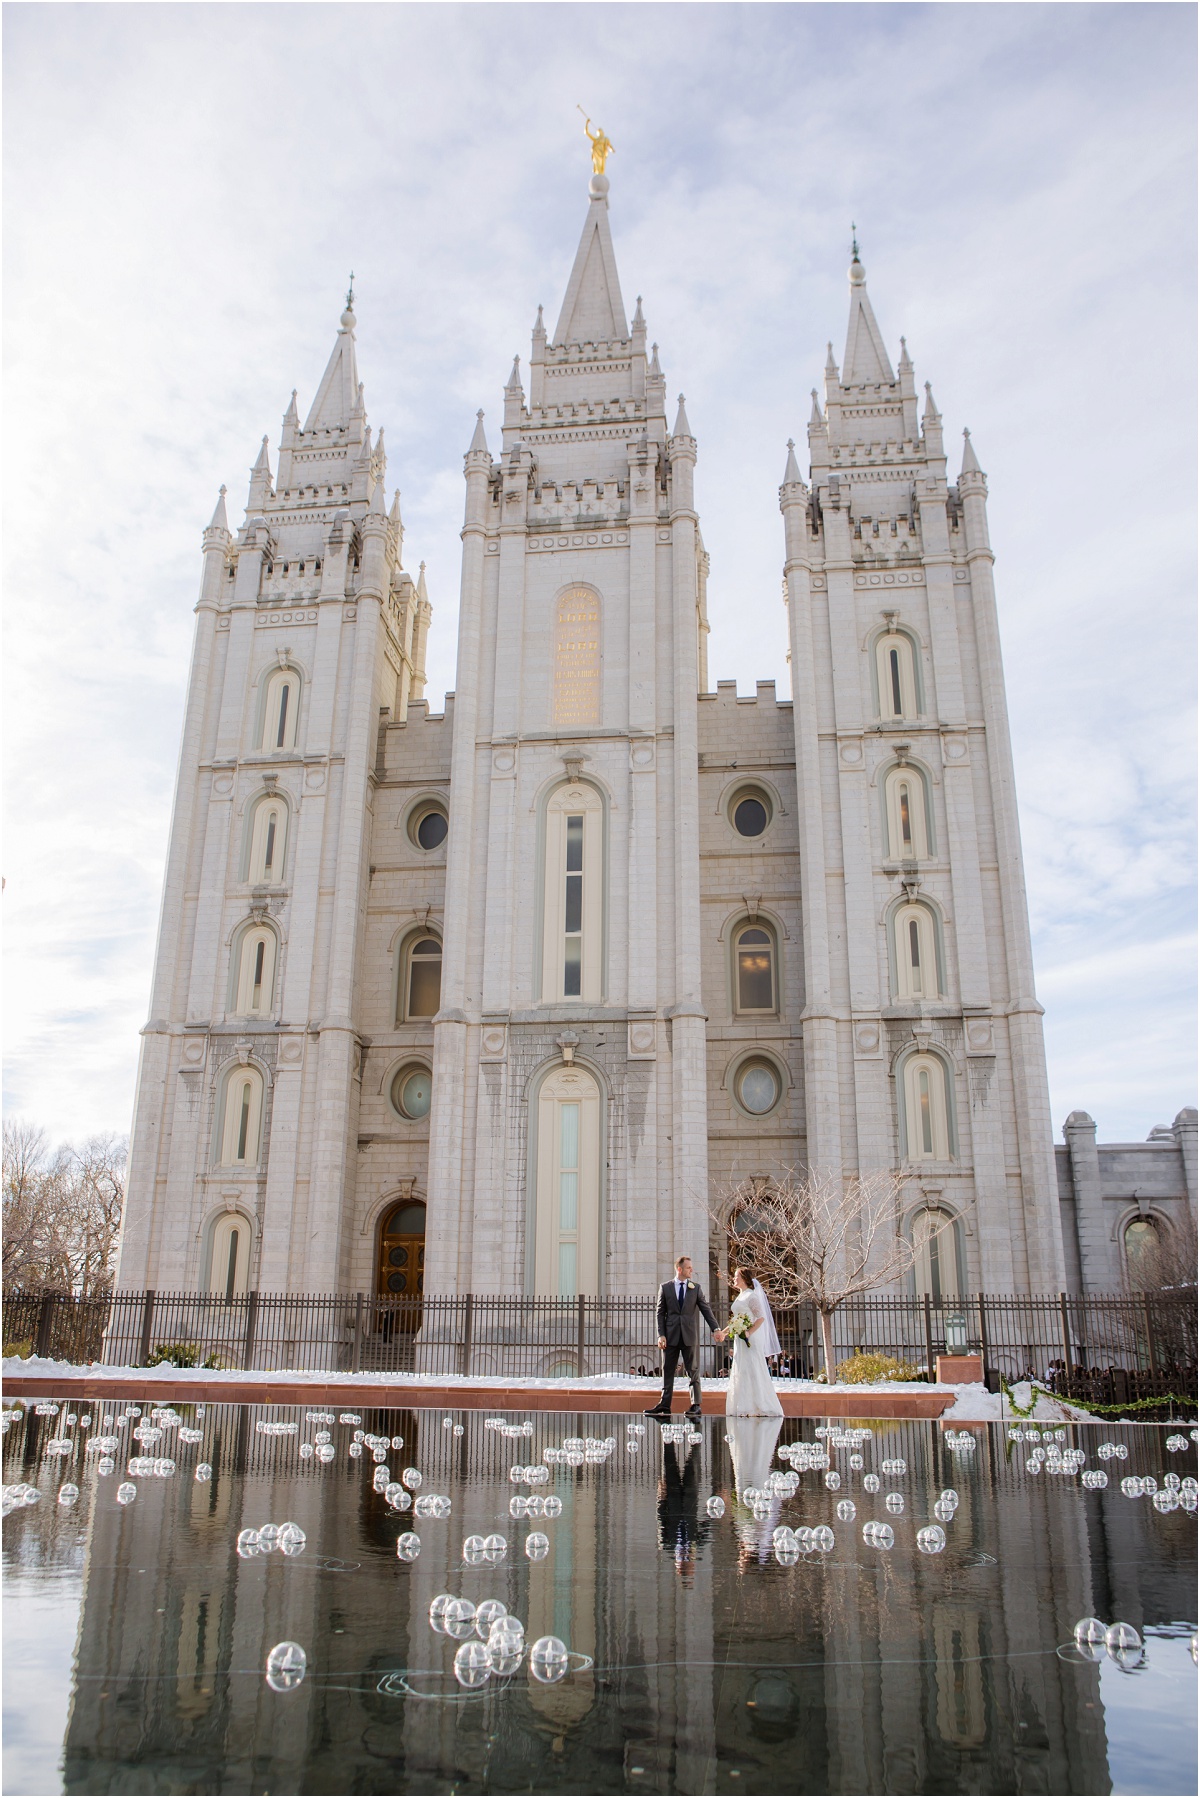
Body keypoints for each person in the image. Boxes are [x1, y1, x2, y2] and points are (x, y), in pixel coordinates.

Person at [645, 1255, 723, 1420]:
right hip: (670, 1336)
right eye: (688, 1267)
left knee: (692, 1370)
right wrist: (661, 1335)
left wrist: (715, 1328)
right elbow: (660, 1313)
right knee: (667, 1370)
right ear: (679, 1269)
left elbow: (706, 1310)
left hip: (689, 1336)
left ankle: (696, 1405)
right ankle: (664, 1405)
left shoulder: (695, 1288)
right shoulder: (665, 1288)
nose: (691, 1270)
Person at [725, 1267, 784, 1418]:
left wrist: (749, 1332)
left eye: (736, 1276)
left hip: (750, 1338)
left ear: (744, 1278)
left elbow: (761, 1317)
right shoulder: (740, 1296)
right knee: (741, 1368)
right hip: (740, 1339)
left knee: (753, 1367)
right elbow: (735, 1320)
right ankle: (744, 1404)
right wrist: (724, 1332)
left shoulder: (751, 1296)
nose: (734, 1279)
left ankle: (760, 1405)